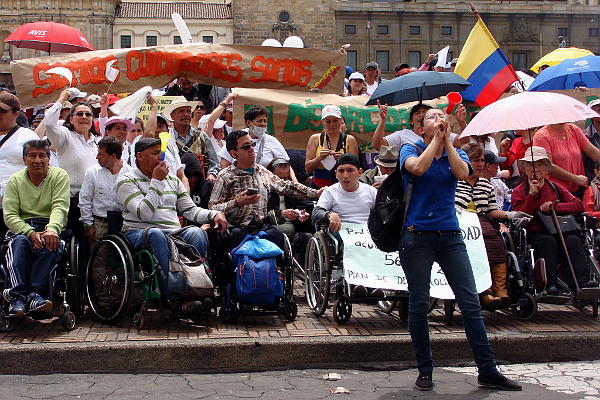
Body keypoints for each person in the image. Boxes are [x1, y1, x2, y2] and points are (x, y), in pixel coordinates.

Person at [399, 107, 521, 391]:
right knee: (419, 304)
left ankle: (487, 369)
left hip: (451, 235)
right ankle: (425, 370)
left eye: (442, 115)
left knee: (470, 303)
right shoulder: (410, 148)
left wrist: (448, 142)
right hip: (417, 236)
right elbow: (418, 168)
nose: (438, 119)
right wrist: (434, 143)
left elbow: (463, 173)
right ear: (421, 128)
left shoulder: (458, 152)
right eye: (431, 117)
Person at [115, 137, 228, 312]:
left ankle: (197, 288)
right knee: (155, 234)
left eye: (161, 153)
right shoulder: (127, 180)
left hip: (172, 232)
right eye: (154, 154)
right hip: (138, 231)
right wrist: (157, 181)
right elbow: (144, 213)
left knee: (196, 233)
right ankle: (173, 295)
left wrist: (214, 214)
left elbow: (190, 210)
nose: (160, 158)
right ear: (139, 156)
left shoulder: (173, 181)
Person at [209, 130, 321, 250]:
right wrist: (237, 202)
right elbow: (213, 208)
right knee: (235, 237)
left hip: (262, 227)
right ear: (234, 154)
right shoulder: (225, 176)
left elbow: (287, 186)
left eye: (253, 145)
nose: (252, 149)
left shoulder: (262, 172)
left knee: (277, 235)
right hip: (236, 228)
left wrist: (316, 193)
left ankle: (278, 268)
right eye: (246, 147)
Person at [512, 146, 598, 292]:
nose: (535, 169)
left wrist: (555, 206)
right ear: (525, 170)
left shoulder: (555, 187)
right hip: (535, 231)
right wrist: (532, 198)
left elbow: (578, 205)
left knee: (574, 241)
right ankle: (550, 284)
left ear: (546, 170)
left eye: (540, 165)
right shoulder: (519, 191)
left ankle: (582, 283)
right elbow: (520, 217)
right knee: (548, 242)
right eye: (531, 165)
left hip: (558, 228)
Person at [455, 143, 530, 308]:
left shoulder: (486, 184)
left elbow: (491, 210)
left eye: (482, 160)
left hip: (484, 222)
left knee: (497, 244)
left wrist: (510, 215)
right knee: (481, 245)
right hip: (461, 223)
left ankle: (500, 289)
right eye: (476, 160)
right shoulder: (454, 181)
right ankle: (485, 291)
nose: (481, 164)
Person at [2, 140, 70, 316]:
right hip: (23, 228)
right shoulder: (15, 180)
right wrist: (29, 232)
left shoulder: (59, 176)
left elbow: (60, 206)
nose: (37, 160)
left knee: (53, 244)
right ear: (25, 159)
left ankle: (36, 295)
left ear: (49, 158)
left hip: (49, 225)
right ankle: (16, 297)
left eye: (42, 155)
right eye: (32, 156)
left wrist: (52, 229)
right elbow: (10, 215)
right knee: (19, 244)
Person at [44, 89, 99, 237]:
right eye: (79, 114)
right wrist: (62, 98)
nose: (84, 117)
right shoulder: (65, 137)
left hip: (96, 202)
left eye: (88, 114)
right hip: (72, 201)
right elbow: (49, 123)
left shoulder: (97, 142)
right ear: (71, 119)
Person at [79, 136, 132, 246]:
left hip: (124, 222)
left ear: (113, 156)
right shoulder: (92, 172)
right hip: (100, 222)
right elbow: (85, 200)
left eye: (101, 154)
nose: (97, 157)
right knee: (100, 257)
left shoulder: (130, 173)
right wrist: (88, 224)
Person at [0, 92, 39, 237]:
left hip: (17, 205)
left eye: (2, 111)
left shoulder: (28, 136)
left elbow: (41, 169)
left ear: (16, 113)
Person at [265, 158, 314, 266]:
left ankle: (305, 274)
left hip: (293, 234)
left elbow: (306, 207)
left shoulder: (292, 190)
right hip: (272, 233)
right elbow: (260, 217)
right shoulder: (264, 192)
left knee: (307, 237)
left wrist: (302, 216)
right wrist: (280, 214)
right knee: (274, 234)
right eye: (278, 178)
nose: (282, 182)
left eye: (285, 178)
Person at [218, 104, 292, 172]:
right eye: (259, 121)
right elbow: (224, 161)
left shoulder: (272, 141)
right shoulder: (237, 137)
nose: (263, 124)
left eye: (265, 121)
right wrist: (228, 179)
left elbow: (286, 164)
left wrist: (295, 181)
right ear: (249, 123)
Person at [533, 122, 600, 198]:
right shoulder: (541, 137)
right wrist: (575, 178)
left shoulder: (573, 129)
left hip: (580, 187)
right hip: (556, 192)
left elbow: (593, 152)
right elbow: (548, 166)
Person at [161, 96, 220, 182]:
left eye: (188, 111)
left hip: (199, 186)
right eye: (181, 111)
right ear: (172, 116)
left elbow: (214, 163)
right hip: (175, 184)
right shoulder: (166, 138)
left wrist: (212, 174)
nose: (186, 114)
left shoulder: (202, 137)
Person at [305, 105, 359, 188]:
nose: (332, 124)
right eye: (328, 121)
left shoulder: (349, 139)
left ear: (341, 120)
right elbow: (308, 168)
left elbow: (356, 167)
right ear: (322, 122)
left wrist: (343, 159)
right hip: (318, 186)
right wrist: (319, 158)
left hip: (343, 186)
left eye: (335, 120)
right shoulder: (315, 139)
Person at [372, 102, 464, 151]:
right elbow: (378, 145)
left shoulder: (445, 134)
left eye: (425, 113)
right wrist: (383, 120)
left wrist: (462, 122)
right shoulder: (402, 136)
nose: (421, 115)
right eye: (417, 113)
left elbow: (465, 143)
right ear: (411, 121)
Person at [583, 99, 600, 182]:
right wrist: (593, 180)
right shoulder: (584, 137)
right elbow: (583, 165)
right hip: (594, 181)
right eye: (595, 110)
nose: (598, 112)